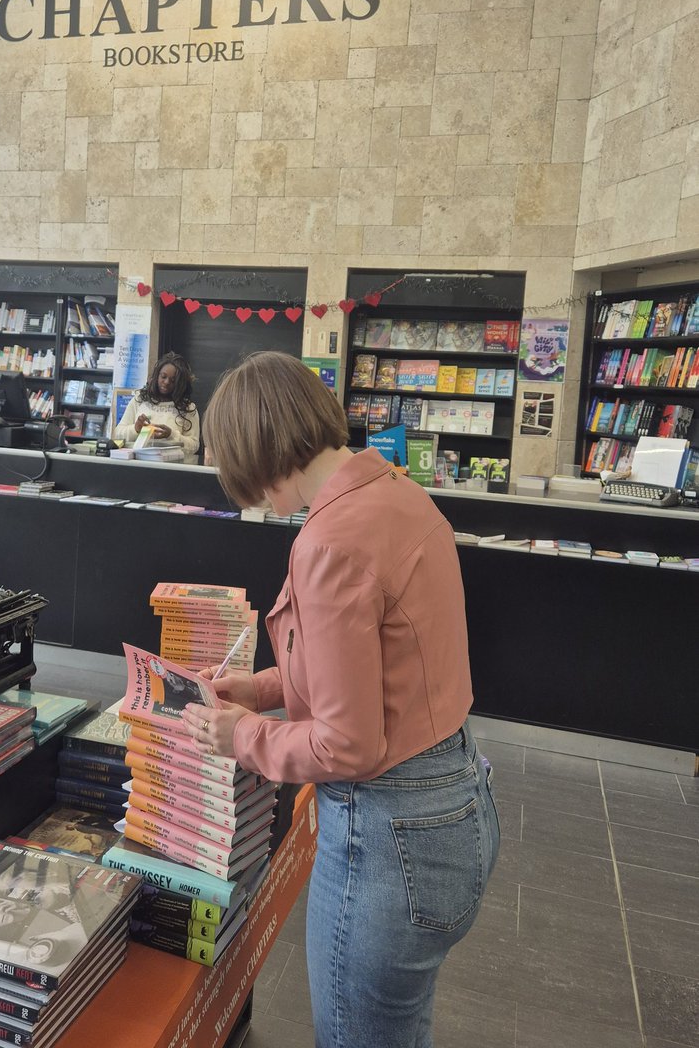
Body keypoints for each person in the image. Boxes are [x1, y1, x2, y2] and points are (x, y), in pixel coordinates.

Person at [181, 351, 500, 1048]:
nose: (257, 502)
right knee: (397, 1025)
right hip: (456, 805)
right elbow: (375, 666)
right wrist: (263, 689)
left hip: (389, 840)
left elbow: (346, 746)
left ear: (260, 453)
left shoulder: (328, 542)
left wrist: (242, 736)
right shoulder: (396, 494)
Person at [113, 352, 200, 460]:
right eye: (163, 376)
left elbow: (194, 446)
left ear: (180, 384)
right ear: (157, 375)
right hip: (137, 465)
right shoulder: (139, 399)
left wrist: (171, 435)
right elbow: (117, 434)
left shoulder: (188, 408)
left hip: (172, 468)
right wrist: (135, 429)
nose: (166, 382)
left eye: (173, 381)